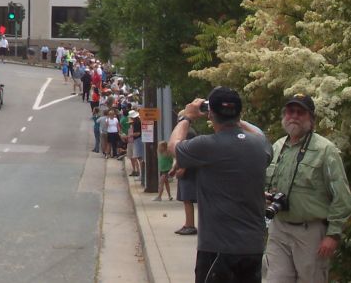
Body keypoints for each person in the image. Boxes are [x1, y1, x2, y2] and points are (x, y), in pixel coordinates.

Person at [168, 86, 273, 283]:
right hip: (252, 247)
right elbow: (259, 135)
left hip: (217, 248)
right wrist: (235, 118)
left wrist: (187, 118)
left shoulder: (207, 145)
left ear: (210, 114)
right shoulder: (259, 146)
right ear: (239, 113)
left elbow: (173, 146)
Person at [264, 94, 351, 283]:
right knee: (275, 279)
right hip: (279, 229)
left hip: (310, 232)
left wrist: (333, 234)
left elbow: (342, 197)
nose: (293, 116)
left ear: (311, 119)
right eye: (290, 111)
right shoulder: (278, 146)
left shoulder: (325, 150)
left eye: (300, 112)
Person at [128, 109, 144, 178]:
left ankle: (141, 174)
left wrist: (131, 135)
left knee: (139, 157)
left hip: (138, 140)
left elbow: (138, 133)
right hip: (138, 140)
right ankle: (141, 173)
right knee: (139, 157)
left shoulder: (136, 123)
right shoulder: (138, 122)